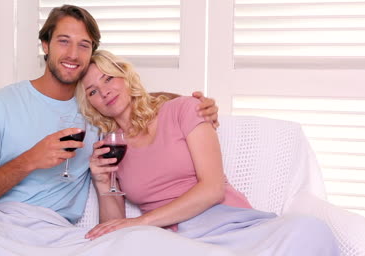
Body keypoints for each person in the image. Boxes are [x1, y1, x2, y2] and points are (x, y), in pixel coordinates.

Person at [0, 5, 223, 256]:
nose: (73, 55)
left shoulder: (96, 110)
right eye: (63, 42)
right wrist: (30, 159)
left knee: (126, 245)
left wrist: (199, 103)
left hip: (56, 236)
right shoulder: (0, 104)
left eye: (84, 45)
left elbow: (138, 101)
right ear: (45, 44)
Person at [76, 50, 341, 255]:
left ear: (125, 76)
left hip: (228, 221)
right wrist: (103, 183)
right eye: (93, 91)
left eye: (108, 78)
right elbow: (114, 229)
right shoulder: (111, 146)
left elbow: (213, 188)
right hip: (174, 240)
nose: (105, 91)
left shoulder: (185, 109)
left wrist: (143, 222)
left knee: (310, 229)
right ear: (91, 105)